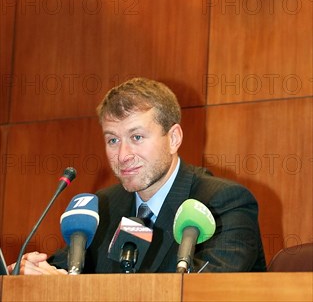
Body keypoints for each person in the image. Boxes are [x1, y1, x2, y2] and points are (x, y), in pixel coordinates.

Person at [9, 77, 267, 274]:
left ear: (174, 138)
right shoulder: (104, 207)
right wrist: (36, 271)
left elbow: (205, 292)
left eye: (137, 137)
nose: (122, 155)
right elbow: (65, 271)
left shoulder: (224, 203)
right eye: (112, 140)